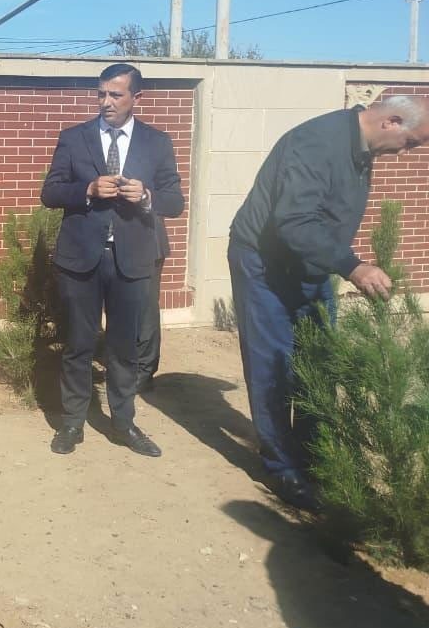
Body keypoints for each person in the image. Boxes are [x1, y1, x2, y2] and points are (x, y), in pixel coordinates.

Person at [227, 95, 429, 511]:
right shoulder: (317, 142)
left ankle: (317, 458)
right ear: (392, 121)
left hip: (311, 264)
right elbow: (295, 220)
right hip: (264, 263)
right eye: (411, 143)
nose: (405, 153)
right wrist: (352, 266)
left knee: (319, 362)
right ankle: (283, 468)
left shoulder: (361, 148)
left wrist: (335, 261)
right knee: (274, 366)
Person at [41, 63, 185, 458]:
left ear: (136, 97)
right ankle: (72, 423)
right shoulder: (74, 138)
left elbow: (175, 201)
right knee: (78, 344)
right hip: (81, 260)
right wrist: (86, 189)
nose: (106, 102)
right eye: (101, 94)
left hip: (133, 259)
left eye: (115, 94)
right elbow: (50, 193)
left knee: (124, 348)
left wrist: (148, 196)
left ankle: (123, 423)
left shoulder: (157, 142)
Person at [136, 217, 168, 393]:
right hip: (119, 247)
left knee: (146, 309)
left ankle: (144, 372)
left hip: (148, 245)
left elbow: (172, 205)